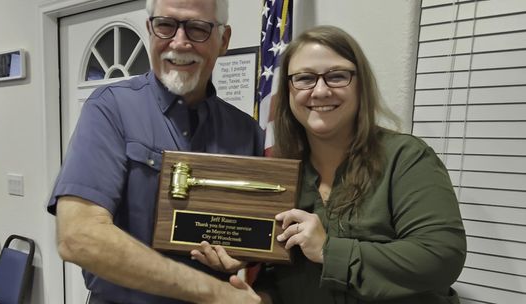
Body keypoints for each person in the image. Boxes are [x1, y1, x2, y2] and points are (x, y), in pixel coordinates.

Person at [47, 0, 263, 303]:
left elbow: (252, 231)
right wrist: (213, 292)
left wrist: (239, 255)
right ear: (150, 29)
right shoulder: (110, 109)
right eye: (165, 25)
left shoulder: (246, 131)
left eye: (198, 28)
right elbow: (78, 237)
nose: (179, 42)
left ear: (223, 40)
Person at [252, 25, 467, 303]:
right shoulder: (279, 170)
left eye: (337, 76)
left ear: (360, 84)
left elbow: (441, 257)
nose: (320, 91)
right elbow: (279, 270)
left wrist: (329, 251)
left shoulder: (405, 158)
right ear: (289, 91)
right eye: (304, 78)